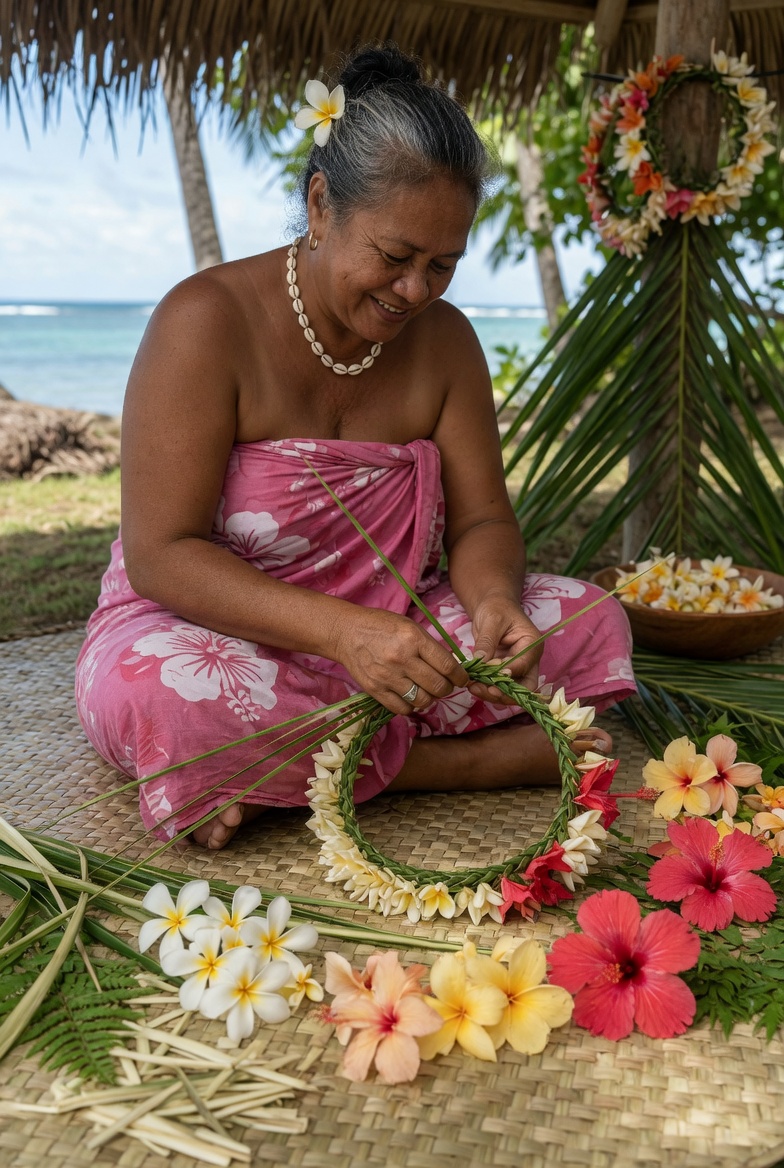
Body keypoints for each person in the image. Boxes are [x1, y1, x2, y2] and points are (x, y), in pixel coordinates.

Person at [75, 44, 635, 850]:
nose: (416, 291)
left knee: (590, 621)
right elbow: (163, 553)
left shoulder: (447, 345)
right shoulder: (204, 322)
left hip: (397, 630)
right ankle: (460, 765)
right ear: (321, 205)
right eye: (396, 257)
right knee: (166, 701)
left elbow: (482, 523)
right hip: (216, 631)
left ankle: (271, 778)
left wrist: (491, 603)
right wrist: (341, 633)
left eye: (444, 265)